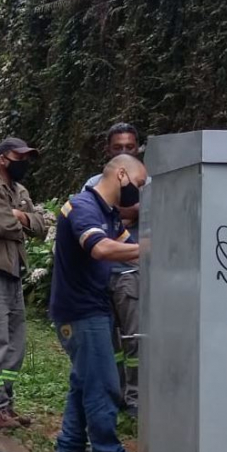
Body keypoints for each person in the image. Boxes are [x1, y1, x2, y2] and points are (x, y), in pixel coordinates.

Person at [51, 154, 147, 452]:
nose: (140, 193)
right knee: (103, 385)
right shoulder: (82, 207)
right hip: (80, 313)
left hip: (92, 308)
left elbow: (125, 244)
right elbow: (101, 249)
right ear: (121, 175)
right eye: (139, 184)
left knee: (83, 381)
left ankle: (70, 446)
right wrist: (151, 248)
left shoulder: (107, 214)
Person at [0, 137, 49, 430]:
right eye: (21, 157)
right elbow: (1, 225)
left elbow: (42, 226)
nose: (25, 163)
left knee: (15, 345)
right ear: (3, 158)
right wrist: (21, 217)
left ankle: (6, 405)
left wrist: (18, 215)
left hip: (13, 272)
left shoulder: (20, 189)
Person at [82, 123, 143, 416]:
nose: (123, 151)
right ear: (108, 150)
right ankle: (113, 394)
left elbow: (135, 212)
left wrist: (120, 212)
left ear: (138, 148)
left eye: (129, 147)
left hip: (131, 275)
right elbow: (104, 216)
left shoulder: (147, 181)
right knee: (107, 342)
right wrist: (128, 212)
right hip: (101, 275)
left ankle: (136, 399)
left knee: (135, 339)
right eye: (117, 147)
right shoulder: (93, 183)